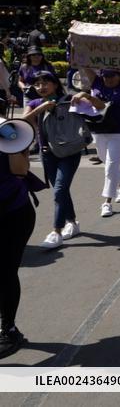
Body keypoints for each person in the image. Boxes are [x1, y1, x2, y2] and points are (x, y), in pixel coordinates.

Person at [23, 72, 85, 250]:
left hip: (70, 152)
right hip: (47, 154)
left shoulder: (69, 99)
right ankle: (72, 222)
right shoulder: (35, 103)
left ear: (56, 84)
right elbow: (21, 121)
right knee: (61, 190)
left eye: (45, 83)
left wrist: (85, 95)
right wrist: (40, 109)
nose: (41, 87)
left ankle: (56, 232)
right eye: (37, 84)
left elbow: (100, 108)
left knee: (59, 190)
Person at [75, 68, 120, 217]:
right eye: (105, 75)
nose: (108, 78)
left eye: (112, 75)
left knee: (110, 166)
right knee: (106, 162)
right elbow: (84, 63)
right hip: (99, 129)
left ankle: (107, 202)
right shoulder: (97, 82)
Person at [0, 120, 35, 359]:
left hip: (12, 214)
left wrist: (10, 143)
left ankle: (9, 330)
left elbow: (21, 170)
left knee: (5, 272)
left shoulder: (7, 130)